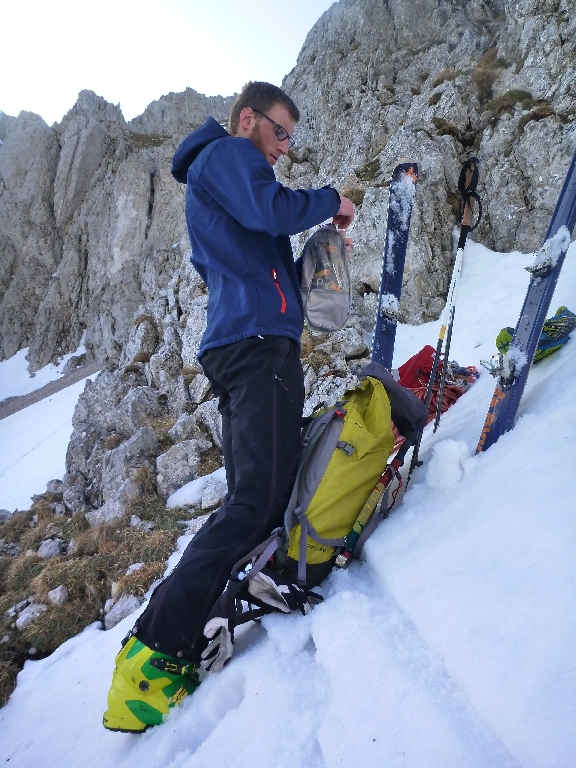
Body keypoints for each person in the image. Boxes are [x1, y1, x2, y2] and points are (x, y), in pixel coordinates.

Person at [103, 81, 355, 733]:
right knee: (254, 503)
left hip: (247, 342)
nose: (283, 148)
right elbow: (271, 210)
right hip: (255, 346)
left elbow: (257, 252)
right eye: (280, 132)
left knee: (257, 498)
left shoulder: (223, 176)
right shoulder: (229, 155)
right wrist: (330, 200)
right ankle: (156, 652)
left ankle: (174, 640)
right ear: (248, 119)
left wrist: (316, 255)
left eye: (290, 138)